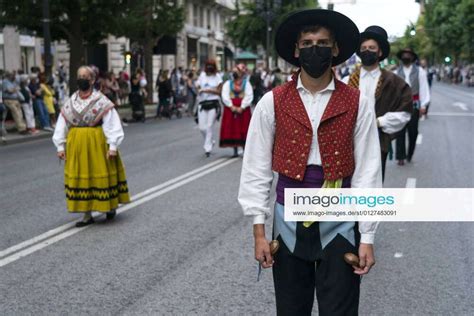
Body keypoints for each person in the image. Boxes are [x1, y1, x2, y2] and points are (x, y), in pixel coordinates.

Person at [238, 9, 382, 315]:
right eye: (307, 42)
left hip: (340, 222)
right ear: (295, 49)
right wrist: (259, 232)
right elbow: (256, 169)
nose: (313, 48)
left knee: (340, 311)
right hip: (288, 220)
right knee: (291, 310)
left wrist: (367, 236)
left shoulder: (358, 103)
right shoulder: (271, 102)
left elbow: (368, 172)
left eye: (321, 42)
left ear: (335, 49)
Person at [52, 66, 130, 227]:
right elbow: (62, 123)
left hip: (97, 142)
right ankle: (86, 214)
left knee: (100, 172)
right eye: (79, 76)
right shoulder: (71, 101)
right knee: (82, 177)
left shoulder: (101, 101)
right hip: (77, 145)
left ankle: (108, 206)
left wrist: (112, 146)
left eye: (85, 76)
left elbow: (111, 123)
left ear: (92, 80)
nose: (82, 79)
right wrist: (60, 146)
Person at [346, 26, 413, 181]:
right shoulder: (347, 81)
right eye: (363, 48)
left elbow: (404, 112)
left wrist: (379, 122)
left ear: (380, 52)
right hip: (348, 144)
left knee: (373, 185)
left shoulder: (394, 82)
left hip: (377, 142)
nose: (367, 50)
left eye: (371, 48)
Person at [394, 48, 430, 165]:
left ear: (413, 57)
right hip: (400, 104)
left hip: (414, 104)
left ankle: (410, 154)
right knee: (400, 130)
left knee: (413, 131)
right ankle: (400, 157)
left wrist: (423, 105)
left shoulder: (420, 71)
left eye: (408, 55)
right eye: (404, 54)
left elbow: (424, 88)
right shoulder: (396, 72)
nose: (406, 56)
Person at [219, 63, 253, 157]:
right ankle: (235, 149)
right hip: (231, 109)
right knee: (232, 129)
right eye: (234, 71)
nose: (234, 73)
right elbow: (224, 95)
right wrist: (231, 106)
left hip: (243, 109)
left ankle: (244, 148)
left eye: (236, 71)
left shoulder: (246, 83)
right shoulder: (228, 83)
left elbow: (249, 95)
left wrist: (242, 107)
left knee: (243, 128)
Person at [196, 60, 223, 157]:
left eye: (212, 65)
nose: (210, 67)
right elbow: (198, 86)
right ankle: (211, 140)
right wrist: (198, 88)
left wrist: (208, 91)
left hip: (213, 103)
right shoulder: (202, 75)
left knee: (209, 125)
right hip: (202, 104)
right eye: (208, 65)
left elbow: (220, 91)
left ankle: (208, 148)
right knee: (201, 127)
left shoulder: (217, 77)